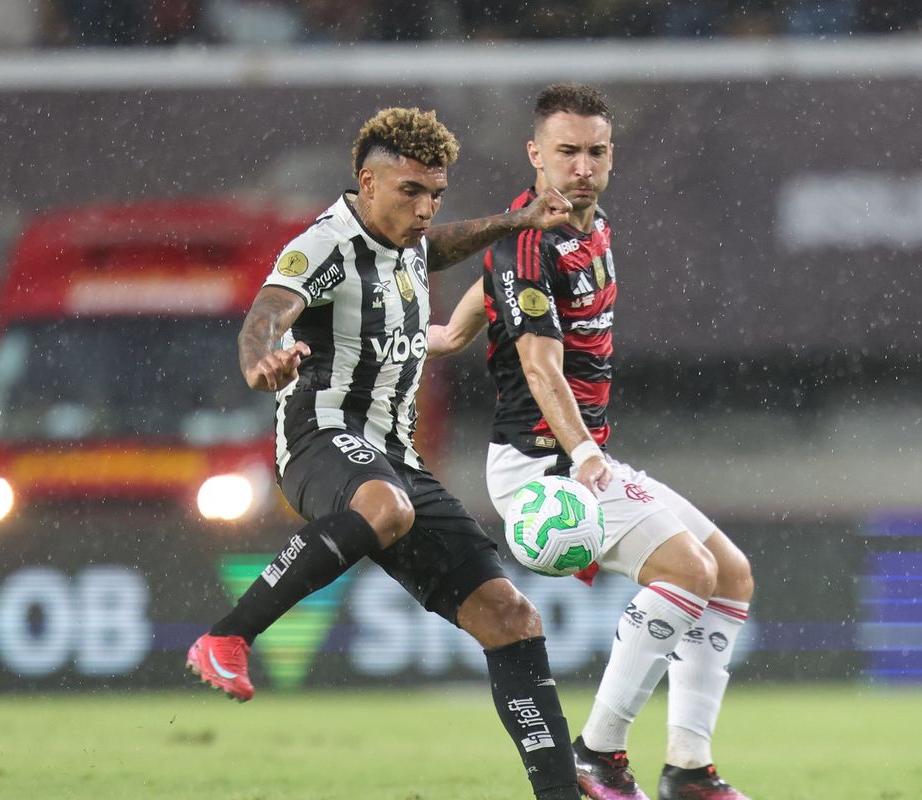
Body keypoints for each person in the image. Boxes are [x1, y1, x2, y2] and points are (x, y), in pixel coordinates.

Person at [186, 106, 583, 800]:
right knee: (385, 506)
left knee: (511, 617)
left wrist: (516, 221)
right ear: (366, 183)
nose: (426, 209)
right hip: (319, 439)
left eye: (436, 194)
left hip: (396, 458)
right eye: (411, 192)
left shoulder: (408, 240)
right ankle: (227, 637)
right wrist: (259, 360)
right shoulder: (325, 245)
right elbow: (268, 310)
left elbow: (439, 246)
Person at [426, 83, 755, 800]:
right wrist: (585, 456)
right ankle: (598, 754)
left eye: (595, 152)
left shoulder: (589, 223)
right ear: (535, 154)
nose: (582, 167)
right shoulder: (527, 242)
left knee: (730, 574)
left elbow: (483, 297)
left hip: (577, 452)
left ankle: (689, 770)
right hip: (542, 465)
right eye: (567, 151)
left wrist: (447, 334)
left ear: (611, 155)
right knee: (688, 572)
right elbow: (541, 369)